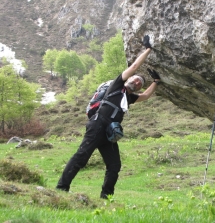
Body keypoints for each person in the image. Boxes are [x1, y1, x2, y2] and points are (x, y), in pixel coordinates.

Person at [56, 35, 160, 199]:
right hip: (98, 125)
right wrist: (148, 49)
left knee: (114, 165)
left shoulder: (129, 97)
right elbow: (134, 66)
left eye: (140, 83)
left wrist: (156, 82)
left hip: (110, 133)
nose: (137, 82)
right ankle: (61, 188)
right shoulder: (117, 85)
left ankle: (106, 197)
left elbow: (146, 96)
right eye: (135, 79)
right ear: (129, 78)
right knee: (81, 158)